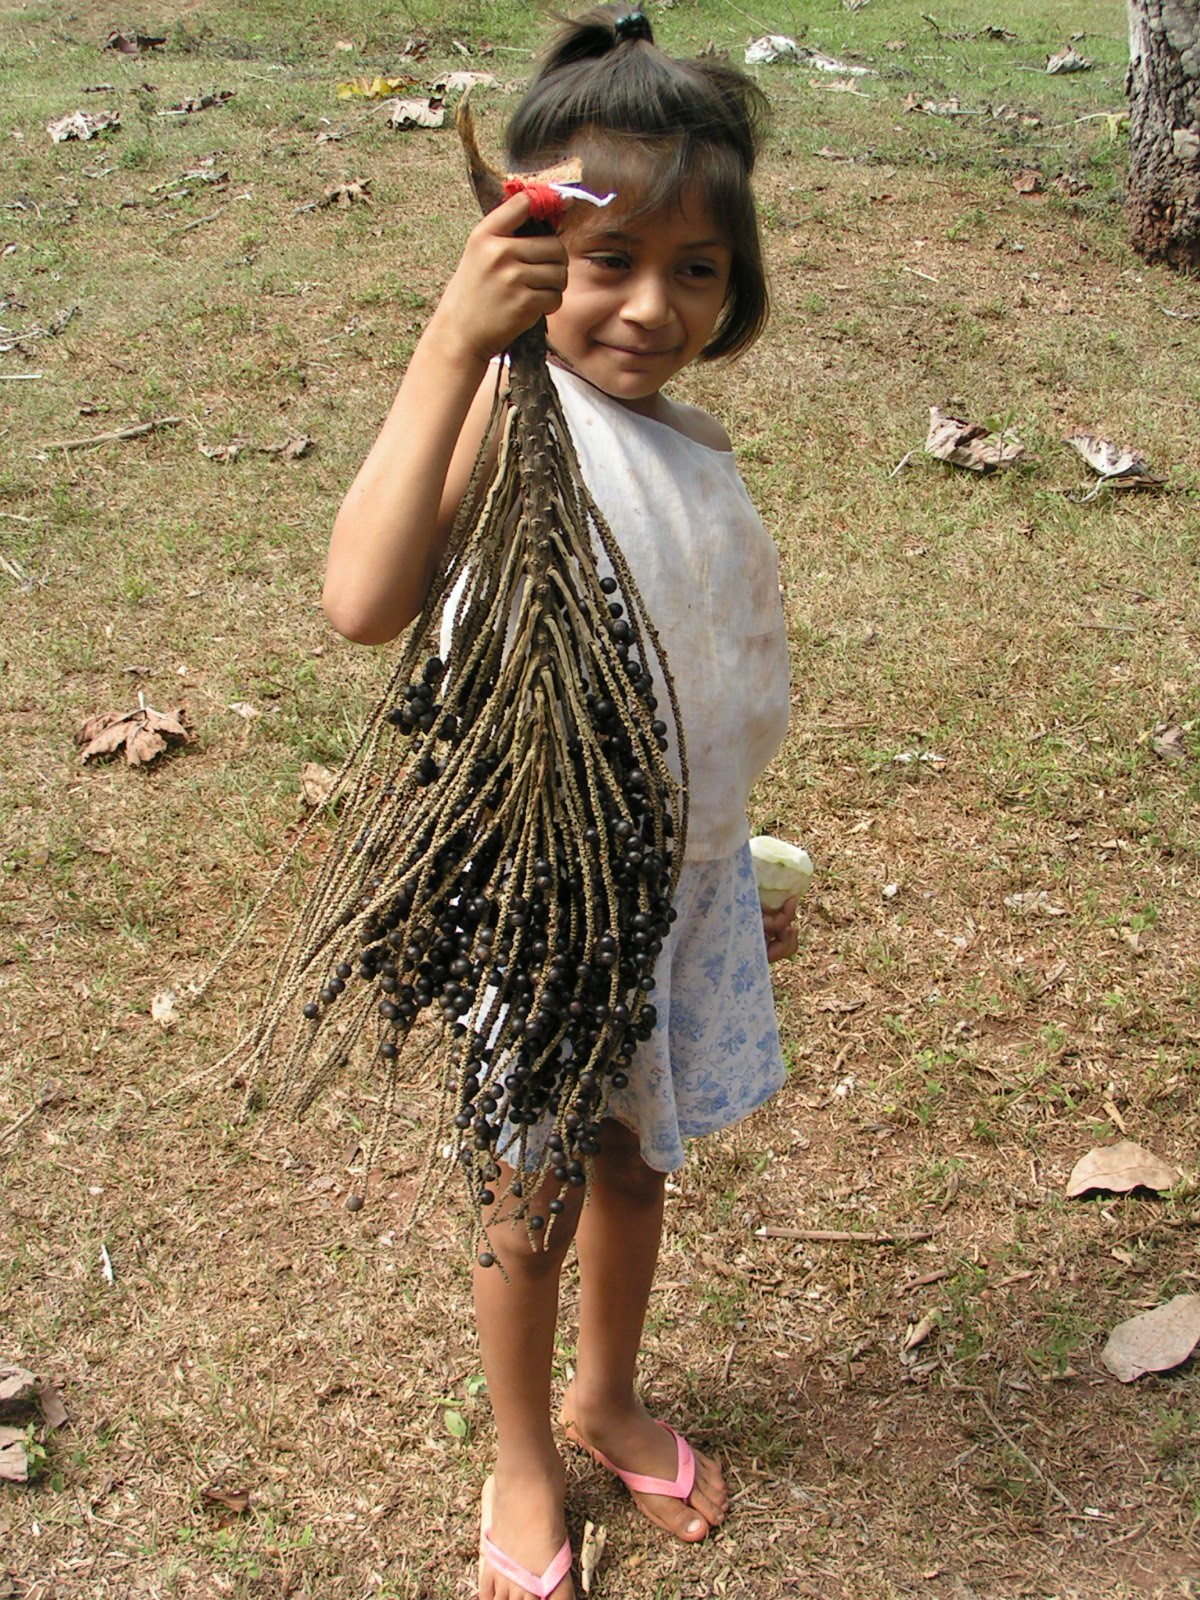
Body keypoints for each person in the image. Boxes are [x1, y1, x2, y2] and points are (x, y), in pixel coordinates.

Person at [323, 8, 797, 1598]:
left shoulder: (686, 440)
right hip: (544, 891)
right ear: (521, 252)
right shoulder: (508, 419)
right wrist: (451, 343)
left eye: (698, 270)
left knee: (632, 1165)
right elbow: (361, 599)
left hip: (678, 881)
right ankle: (523, 1449)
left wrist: (736, 849)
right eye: (609, 262)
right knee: (527, 1189)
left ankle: (605, 1397)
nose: (652, 307)